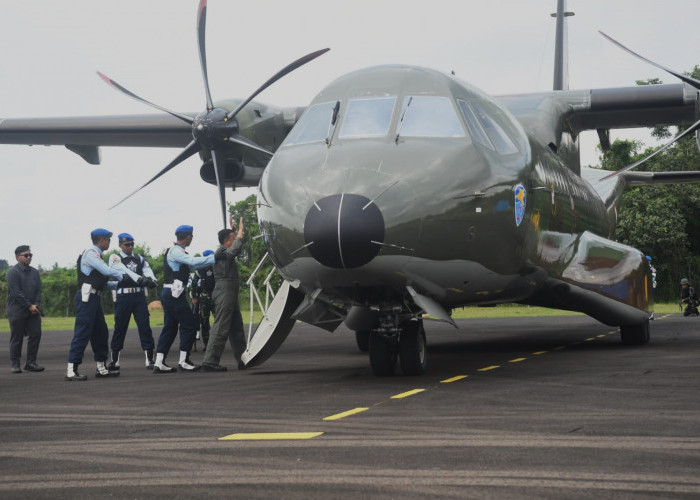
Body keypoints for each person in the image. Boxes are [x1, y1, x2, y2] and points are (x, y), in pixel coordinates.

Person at [66, 228, 143, 381]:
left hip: (94, 297)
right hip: (87, 297)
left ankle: (101, 367)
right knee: (82, 333)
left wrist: (119, 283)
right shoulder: (91, 254)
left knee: (101, 333)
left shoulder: (98, 256)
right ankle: (71, 370)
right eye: (108, 239)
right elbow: (107, 270)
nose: (109, 242)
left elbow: (102, 283)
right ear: (102, 240)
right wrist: (126, 277)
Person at [153, 225, 215, 373]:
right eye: (191, 236)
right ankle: (184, 361)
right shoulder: (176, 251)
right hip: (174, 294)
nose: (192, 238)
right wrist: (216, 257)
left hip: (171, 293)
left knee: (170, 327)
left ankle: (159, 362)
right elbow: (194, 262)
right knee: (190, 325)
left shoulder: (174, 250)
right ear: (187, 236)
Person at [107, 233, 158, 373]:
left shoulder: (139, 258)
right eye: (127, 244)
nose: (130, 247)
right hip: (123, 296)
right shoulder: (115, 257)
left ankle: (149, 359)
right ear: (120, 245)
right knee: (120, 327)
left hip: (138, 295)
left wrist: (152, 279)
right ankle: (115, 360)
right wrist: (142, 279)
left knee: (144, 326)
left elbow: (147, 269)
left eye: (131, 244)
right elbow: (122, 273)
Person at [202, 215, 246, 372]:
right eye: (232, 238)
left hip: (230, 292)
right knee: (221, 326)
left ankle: (243, 359)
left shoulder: (224, 249)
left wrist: (233, 231)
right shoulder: (221, 253)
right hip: (224, 291)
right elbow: (234, 249)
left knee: (237, 328)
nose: (235, 240)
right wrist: (240, 230)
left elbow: (232, 245)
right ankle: (210, 361)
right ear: (227, 241)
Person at [6, 245, 43, 373]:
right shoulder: (12, 272)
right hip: (17, 311)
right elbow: (16, 293)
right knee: (17, 338)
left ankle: (31, 363)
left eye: (30, 255)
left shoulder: (35, 272)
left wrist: (36, 305)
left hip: (33, 310)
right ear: (17, 257)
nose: (29, 257)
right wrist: (29, 305)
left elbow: (39, 290)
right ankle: (15, 364)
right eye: (26, 255)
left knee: (36, 335)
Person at [190, 250, 215, 349]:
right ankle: (207, 344)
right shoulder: (199, 270)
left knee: (219, 320)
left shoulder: (217, 268)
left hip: (216, 297)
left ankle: (216, 343)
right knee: (204, 322)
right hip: (203, 299)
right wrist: (194, 297)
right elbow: (194, 285)